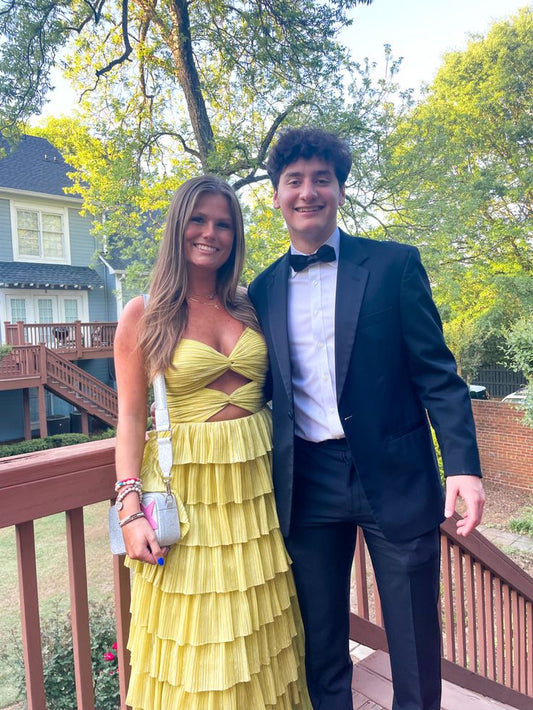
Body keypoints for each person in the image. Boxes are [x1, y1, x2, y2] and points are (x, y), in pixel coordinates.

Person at [248, 127, 486, 710]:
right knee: (321, 644)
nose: (308, 192)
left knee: (414, 640)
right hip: (308, 482)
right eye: (294, 181)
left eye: (321, 180)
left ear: (340, 191)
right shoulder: (262, 289)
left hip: (396, 474)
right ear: (276, 196)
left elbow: (438, 374)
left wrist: (463, 465)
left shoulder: (394, 265)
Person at [113, 175, 311, 709]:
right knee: (196, 643)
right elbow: (129, 416)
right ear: (178, 226)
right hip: (188, 492)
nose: (210, 233)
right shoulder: (144, 312)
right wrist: (129, 510)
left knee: (259, 634)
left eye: (223, 224)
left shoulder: (250, 306)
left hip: (255, 492)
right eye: (198, 220)